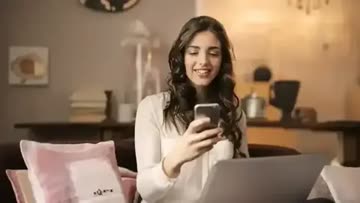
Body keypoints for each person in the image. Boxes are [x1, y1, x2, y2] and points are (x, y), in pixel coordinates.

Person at [134, 15, 248, 203]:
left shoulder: (233, 111)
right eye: (193, 52)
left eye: (213, 53)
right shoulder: (152, 108)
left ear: (222, 60)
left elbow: (242, 178)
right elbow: (146, 191)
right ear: (182, 57)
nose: (204, 61)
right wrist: (178, 157)